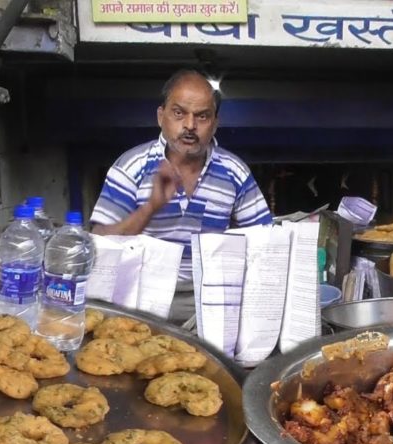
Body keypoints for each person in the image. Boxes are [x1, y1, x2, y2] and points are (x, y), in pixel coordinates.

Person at [90, 69, 272, 324]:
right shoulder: (131, 166)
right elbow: (100, 245)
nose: (189, 125)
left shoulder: (235, 173)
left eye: (202, 116)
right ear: (160, 116)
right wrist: (150, 208)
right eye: (179, 113)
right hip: (139, 300)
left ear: (215, 124)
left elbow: (265, 243)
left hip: (211, 302)